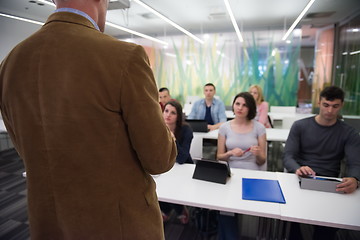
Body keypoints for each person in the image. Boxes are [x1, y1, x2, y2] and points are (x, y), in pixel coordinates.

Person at [0, 0, 177, 239]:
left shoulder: (10, 63)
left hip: (47, 224)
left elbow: (26, 150)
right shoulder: (125, 56)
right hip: (118, 227)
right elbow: (159, 159)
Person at [283, 86, 360, 240]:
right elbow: (288, 156)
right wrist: (297, 168)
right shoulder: (300, 126)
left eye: (335, 106)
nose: (330, 111)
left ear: (341, 105)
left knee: (326, 230)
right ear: (319, 102)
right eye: (326, 105)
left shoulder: (349, 133)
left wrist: (355, 179)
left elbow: (355, 163)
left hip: (331, 183)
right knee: (292, 225)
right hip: (300, 179)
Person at [216, 92, 267, 240]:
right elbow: (219, 157)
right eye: (237, 104)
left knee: (233, 211)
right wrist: (230, 153)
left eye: (244, 105)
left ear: (250, 108)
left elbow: (262, 160)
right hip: (231, 173)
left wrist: (257, 153)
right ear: (233, 106)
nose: (240, 108)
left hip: (252, 174)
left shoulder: (259, 128)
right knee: (225, 210)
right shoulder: (225, 127)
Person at [160, 100, 193, 224]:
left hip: (183, 167)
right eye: (166, 111)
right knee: (156, 184)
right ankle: (166, 209)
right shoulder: (158, 128)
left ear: (178, 116)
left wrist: (173, 140)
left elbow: (182, 158)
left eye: (173, 113)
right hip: (164, 165)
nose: (168, 115)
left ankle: (180, 210)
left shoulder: (186, 130)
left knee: (174, 188)